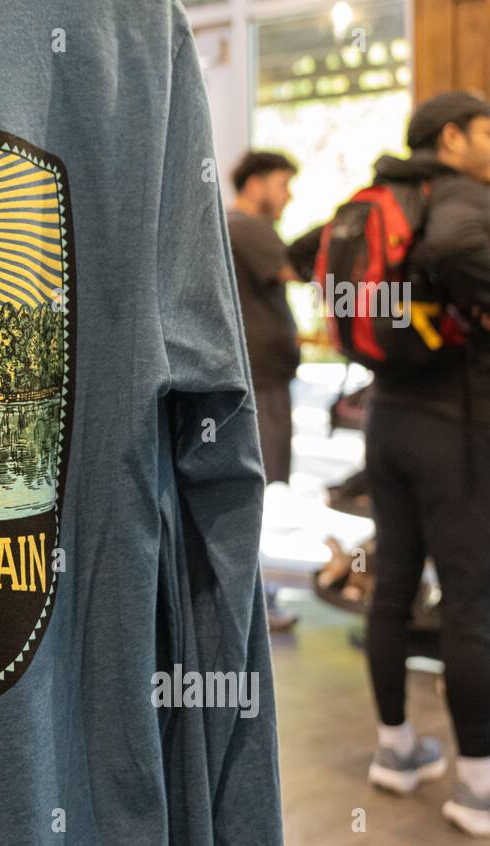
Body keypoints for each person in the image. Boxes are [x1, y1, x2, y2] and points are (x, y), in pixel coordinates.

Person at [362, 91, 490, 836]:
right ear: (450, 138)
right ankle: (480, 785)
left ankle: (396, 750)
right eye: (486, 129)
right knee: (471, 606)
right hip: (461, 425)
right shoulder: (461, 197)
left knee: (393, 589)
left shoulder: (384, 192)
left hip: (390, 418)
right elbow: (452, 251)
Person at [227, 151, 303, 632]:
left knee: (255, 490)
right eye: (282, 184)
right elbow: (299, 272)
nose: (288, 195)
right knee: (252, 491)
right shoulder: (246, 227)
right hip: (261, 384)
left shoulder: (235, 226)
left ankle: (254, 597)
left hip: (262, 379)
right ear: (255, 184)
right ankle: (252, 601)